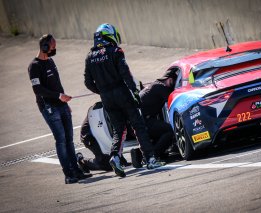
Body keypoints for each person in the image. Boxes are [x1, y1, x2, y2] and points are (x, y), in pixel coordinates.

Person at [84, 23, 164, 177]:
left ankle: (115, 157)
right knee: (138, 125)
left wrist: (101, 91)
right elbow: (126, 74)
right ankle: (151, 159)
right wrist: (134, 92)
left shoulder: (89, 57)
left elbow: (88, 83)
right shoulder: (115, 51)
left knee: (119, 129)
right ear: (109, 35)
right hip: (122, 94)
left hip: (107, 98)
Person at [28, 34, 92, 184]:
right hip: (49, 108)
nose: (54, 50)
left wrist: (65, 103)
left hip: (61, 105)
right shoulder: (34, 66)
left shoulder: (51, 62)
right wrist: (58, 96)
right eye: (52, 47)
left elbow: (57, 84)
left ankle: (76, 171)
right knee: (61, 140)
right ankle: (68, 175)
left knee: (69, 140)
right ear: (44, 47)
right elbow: (37, 89)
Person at [130, 70, 177, 168]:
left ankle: (140, 154)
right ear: (169, 80)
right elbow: (173, 101)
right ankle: (153, 156)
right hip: (144, 121)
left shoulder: (154, 85)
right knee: (169, 130)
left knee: (158, 133)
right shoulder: (161, 87)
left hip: (136, 120)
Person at [76, 102, 130, 172]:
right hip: (90, 136)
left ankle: (117, 158)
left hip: (101, 133)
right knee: (106, 165)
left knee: (116, 137)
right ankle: (82, 160)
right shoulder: (101, 108)